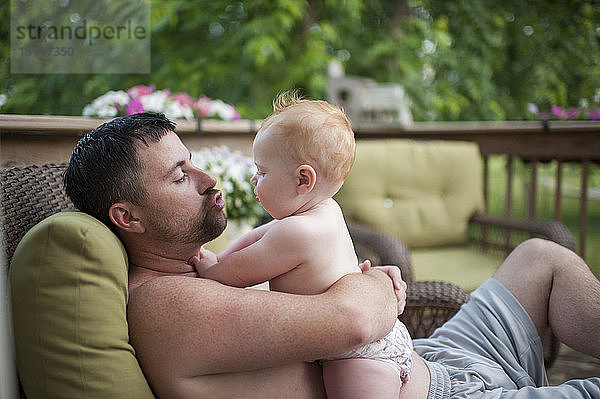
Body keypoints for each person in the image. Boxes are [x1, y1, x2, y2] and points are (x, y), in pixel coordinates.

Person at [63, 111, 600, 399]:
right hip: (435, 393)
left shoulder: (199, 267)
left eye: (194, 163)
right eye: (181, 176)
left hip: (433, 359)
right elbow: (353, 320)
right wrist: (369, 286)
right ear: (126, 217)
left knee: (540, 257)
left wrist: (362, 286)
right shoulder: (163, 304)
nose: (208, 180)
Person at [190, 91, 414, 399]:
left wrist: (207, 266)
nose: (255, 181)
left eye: (262, 172)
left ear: (302, 180)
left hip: (358, 356)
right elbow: (256, 238)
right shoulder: (324, 210)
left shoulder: (299, 233)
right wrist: (223, 254)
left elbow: (236, 275)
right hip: (377, 330)